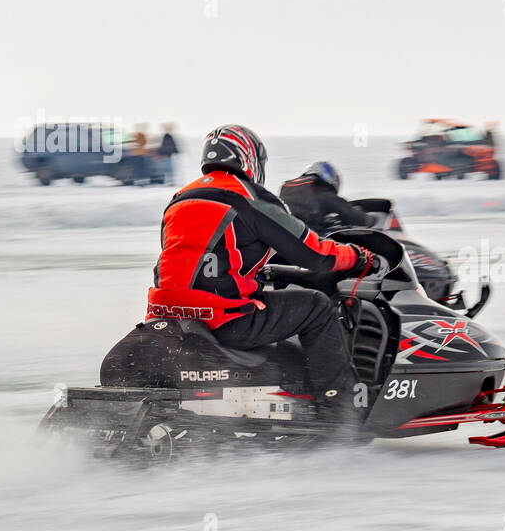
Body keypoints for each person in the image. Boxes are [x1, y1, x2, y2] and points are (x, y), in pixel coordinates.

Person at [147, 126, 379, 429]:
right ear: (250, 159)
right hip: (225, 321)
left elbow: (191, 259)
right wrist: (358, 256)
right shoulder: (248, 198)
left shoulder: (180, 199)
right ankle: (339, 411)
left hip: (169, 315)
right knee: (317, 306)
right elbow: (314, 254)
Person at [279, 161, 371, 235]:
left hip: (286, 234)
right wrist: (370, 219)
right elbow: (352, 215)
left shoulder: (287, 186)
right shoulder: (320, 189)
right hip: (308, 239)